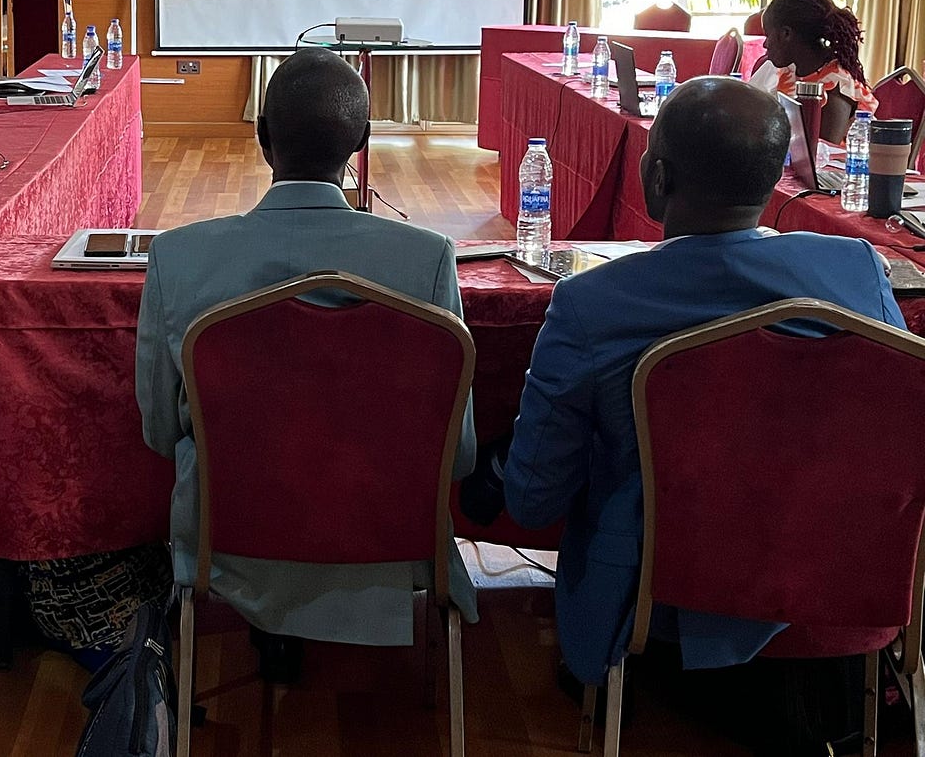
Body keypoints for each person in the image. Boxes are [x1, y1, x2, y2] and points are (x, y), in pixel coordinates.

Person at [503, 77, 907, 688]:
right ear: (773, 178)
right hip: (832, 574)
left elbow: (533, 500)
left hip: (656, 596)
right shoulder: (858, 270)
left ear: (657, 178)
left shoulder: (592, 302)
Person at [136, 48, 477, 680]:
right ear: (362, 141)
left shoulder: (178, 260)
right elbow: (457, 456)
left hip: (227, 542)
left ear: (262, 137)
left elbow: (160, 433)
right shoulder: (428, 261)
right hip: (388, 543)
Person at [749, 0, 877, 143]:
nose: (765, 44)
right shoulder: (790, 71)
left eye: (768, 36)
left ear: (786, 34)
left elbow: (820, 152)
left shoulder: (836, 85)